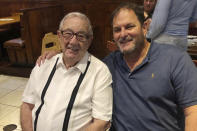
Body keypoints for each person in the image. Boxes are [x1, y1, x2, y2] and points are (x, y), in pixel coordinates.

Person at [37, 3, 197, 131]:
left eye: (129, 27)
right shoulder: (108, 65)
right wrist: (59, 52)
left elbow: (193, 111)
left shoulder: (176, 59)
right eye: (117, 30)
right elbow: (81, 61)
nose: (123, 34)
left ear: (145, 26)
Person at [20, 12, 113, 131]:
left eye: (81, 35)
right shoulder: (43, 64)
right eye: (68, 34)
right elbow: (27, 105)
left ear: (89, 40)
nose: (73, 41)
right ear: (59, 36)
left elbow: (101, 121)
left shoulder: (100, 72)